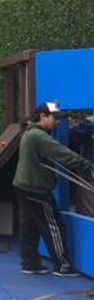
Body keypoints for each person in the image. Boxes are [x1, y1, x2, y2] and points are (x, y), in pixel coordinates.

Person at [13, 101, 93, 276]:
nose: (57, 122)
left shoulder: (29, 132)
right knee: (54, 227)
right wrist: (88, 168)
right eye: (55, 118)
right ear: (43, 116)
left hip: (22, 186)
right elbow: (63, 154)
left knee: (29, 226)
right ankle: (63, 266)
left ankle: (29, 263)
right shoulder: (39, 137)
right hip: (37, 190)